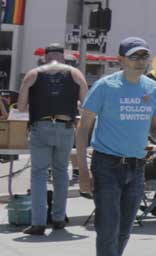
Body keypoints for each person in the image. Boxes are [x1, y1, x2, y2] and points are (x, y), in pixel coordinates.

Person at [77, 37, 156, 256]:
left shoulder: (151, 88)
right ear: (121, 60)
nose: (141, 61)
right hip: (106, 165)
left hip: (136, 166)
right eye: (134, 56)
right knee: (107, 233)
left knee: (123, 232)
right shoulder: (105, 86)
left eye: (145, 56)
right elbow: (83, 128)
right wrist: (82, 171)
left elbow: (154, 127)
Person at [17, 43, 88, 235]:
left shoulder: (33, 74)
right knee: (61, 173)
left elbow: (22, 107)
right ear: (63, 57)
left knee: (39, 174)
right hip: (65, 127)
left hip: (41, 126)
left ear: (45, 57)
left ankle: (38, 223)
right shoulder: (75, 74)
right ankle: (58, 219)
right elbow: (85, 104)